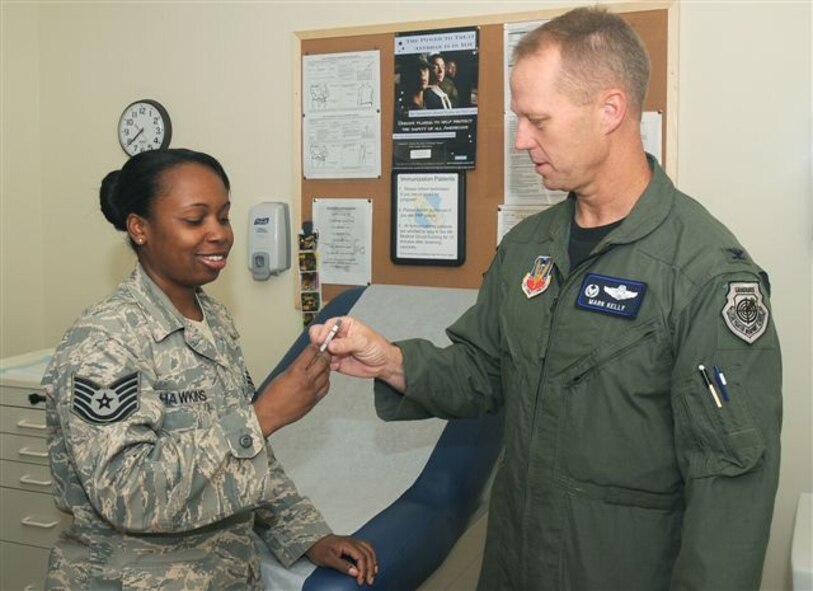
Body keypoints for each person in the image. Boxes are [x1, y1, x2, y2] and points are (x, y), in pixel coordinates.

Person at [311, 7, 781, 590]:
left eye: (538, 120)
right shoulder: (529, 246)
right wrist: (395, 361)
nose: (521, 140)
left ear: (610, 110)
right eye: (518, 119)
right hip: (516, 560)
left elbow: (730, 492)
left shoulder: (703, 275)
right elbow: (482, 370)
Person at [43, 148, 377, 589]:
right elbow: (125, 494)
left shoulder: (214, 320)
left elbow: (248, 458)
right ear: (139, 228)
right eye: (195, 220)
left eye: (223, 216)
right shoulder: (105, 342)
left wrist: (306, 534)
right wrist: (264, 416)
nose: (218, 234)